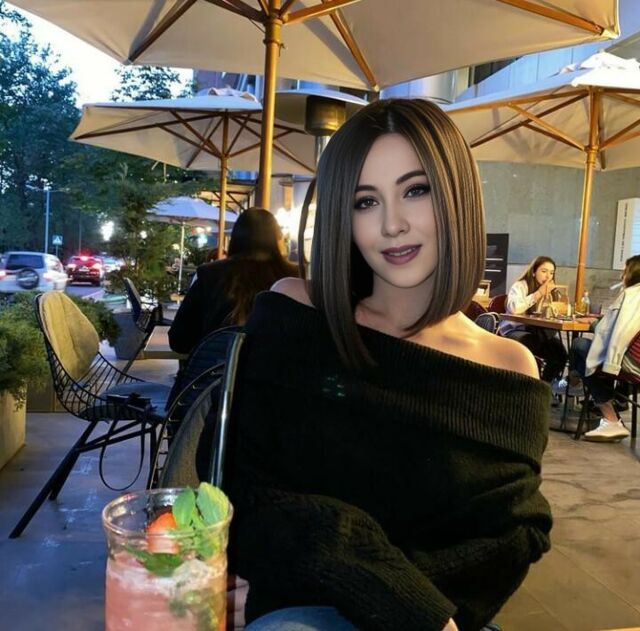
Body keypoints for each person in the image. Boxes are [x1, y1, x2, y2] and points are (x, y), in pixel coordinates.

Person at [222, 99, 552, 631]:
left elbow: (510, 542)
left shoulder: (508, 368)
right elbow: (244, 486)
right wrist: (392, 597)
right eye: (365, 201)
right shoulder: (297, 315)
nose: (392, 224)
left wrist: (395, 604)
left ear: (456, 196)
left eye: (415, 191)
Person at [168, 207, 297, 354]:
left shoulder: (210, 274)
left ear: (235, 239)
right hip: (278, 367)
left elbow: (178, 340)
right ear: (277, 239)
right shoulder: (293, 277)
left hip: (218, 365)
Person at [564, 254, 640, 442]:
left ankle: (576, 383)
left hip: (632, 363)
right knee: (588, 358)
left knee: (579, 346)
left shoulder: (631, 296)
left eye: (624, 271)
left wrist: (593, 323)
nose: (622, 275)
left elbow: (611, 332)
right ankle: (577, 381)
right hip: (635, 358)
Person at [498, 256, 568, 384]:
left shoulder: (552, 292)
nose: (548, 276)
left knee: (559, 351)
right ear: (534, 272)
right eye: (544, 271)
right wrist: (538, 294)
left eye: (551, 273)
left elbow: (554, 314)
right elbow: (514, 308)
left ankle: (544, 386)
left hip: (537, 332)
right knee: (530, 342)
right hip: (514, 330)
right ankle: (522, 385)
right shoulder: (521, 286)